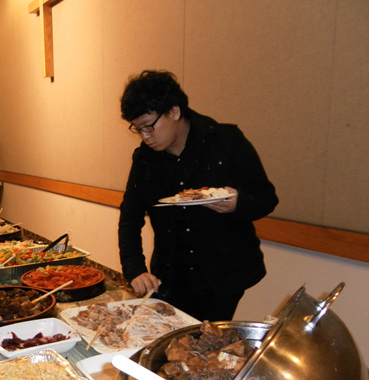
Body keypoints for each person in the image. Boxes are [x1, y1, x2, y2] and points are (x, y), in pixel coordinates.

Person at [118, 70, 278, 322]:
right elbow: (130, 218)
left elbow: (266, 198)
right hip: (172, 276)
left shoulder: (225, 141)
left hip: (223, 275)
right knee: (171, 337)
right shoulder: (145, 160)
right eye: (137, 129)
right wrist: (135, 269)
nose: (145, 136)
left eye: (149, 126)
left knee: (208, 338)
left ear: (174, 111)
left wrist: (238, 204)